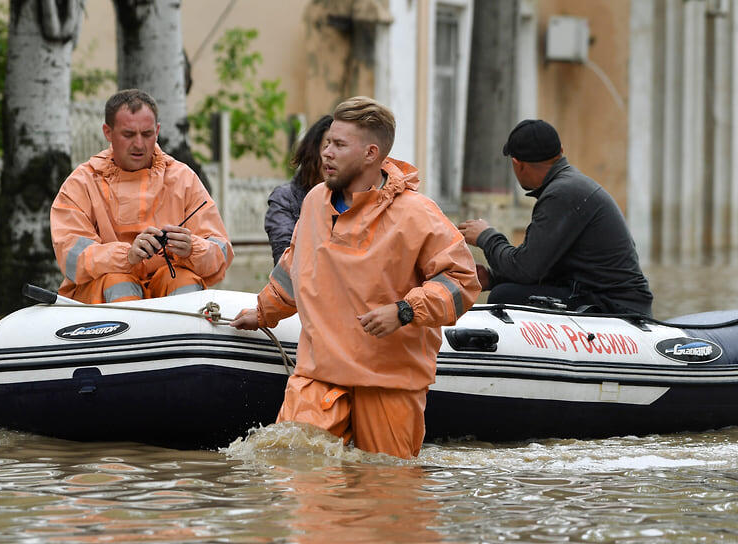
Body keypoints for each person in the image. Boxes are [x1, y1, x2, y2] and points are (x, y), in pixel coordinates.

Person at [230, 96, 480, 459]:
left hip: (390, 381)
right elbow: (294, 269)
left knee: (386, 493)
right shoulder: (315, 201)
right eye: (327, 142)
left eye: (339, 145)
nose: (326, 153)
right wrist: (263, 312)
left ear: (370, 153)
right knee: (294, 469)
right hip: (319, 374)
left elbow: (462, 281)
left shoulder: (417, 214)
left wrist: (404, 311)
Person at [51, 89, 233, 303]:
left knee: (183, 280)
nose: (139, 144)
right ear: (107, 133)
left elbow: (221, 253)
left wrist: (192, 248)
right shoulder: (81, 183)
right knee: (117, 281)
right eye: (128, 135)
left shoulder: (183, 178)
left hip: (168, 286)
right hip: (103, 304)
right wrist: (127, 256)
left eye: (147, 134)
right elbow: (71, 257)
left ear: (157, 131)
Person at [457, 119, 653, 315]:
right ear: (560, 150)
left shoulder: (562, 193)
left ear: (518, 164)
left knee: (505, 297)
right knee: (504, 290)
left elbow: (524, 269)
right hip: (615, 300)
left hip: (617, 307)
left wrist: (486, 237)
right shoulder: (568, 186)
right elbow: (543, 266)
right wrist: (492, 278)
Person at [264, 115, 333, 264]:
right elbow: (284, 261)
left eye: (341, 147)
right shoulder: (285, 199)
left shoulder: (356, 196)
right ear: (312, 152)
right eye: (327, 146)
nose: (332, 155)